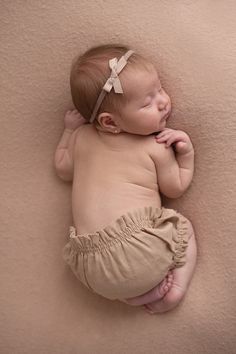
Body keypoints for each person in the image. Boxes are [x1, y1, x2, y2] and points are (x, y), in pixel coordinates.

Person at [54, 44, 197, 313]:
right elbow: (175, 188)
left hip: (90, 268)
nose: (163, 102)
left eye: (160, 89)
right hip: (139, 250)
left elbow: (62, 169)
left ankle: (131, 296)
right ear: (110, 122)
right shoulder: (155, 146)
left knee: (120, 282)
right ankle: (174, 290)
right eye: (148, 102)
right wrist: (186, 153)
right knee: (183, 228)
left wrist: (68, 131)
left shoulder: (80, 137)